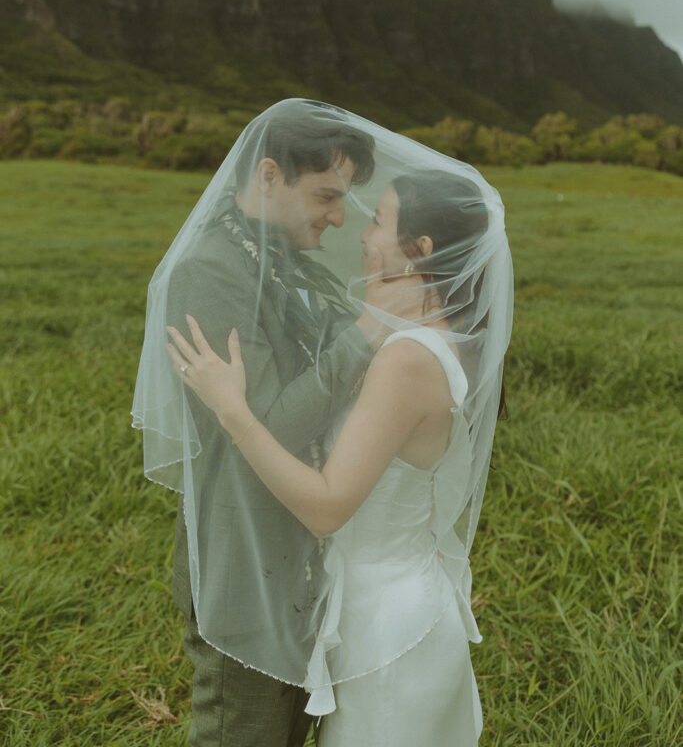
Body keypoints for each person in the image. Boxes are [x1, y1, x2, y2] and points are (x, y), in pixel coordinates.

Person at [165, 149, 514, 746]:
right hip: (386, 603)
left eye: (378, 220)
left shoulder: (407, 359)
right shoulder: (435, 337)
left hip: (386, 626)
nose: (360, 232)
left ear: (421, 249)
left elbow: (328, 507)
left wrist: (234, 411)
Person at [133, 100, 401, 747]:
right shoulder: (209, 272)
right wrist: (368, 329)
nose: (339, 217)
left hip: (296, 554)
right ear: (269, 176)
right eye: (326, 195)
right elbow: (269, 425)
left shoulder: (274, 256)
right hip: (246, 564)